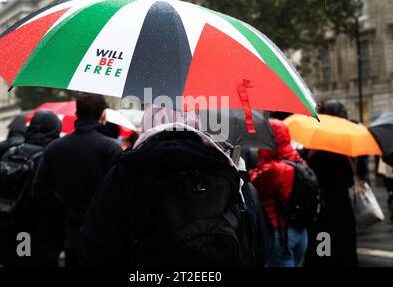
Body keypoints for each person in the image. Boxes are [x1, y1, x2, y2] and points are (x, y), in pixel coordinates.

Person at [79, 106, 266, 267]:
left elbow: (97, 244)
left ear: (149, 122)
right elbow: (255, 243)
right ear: (197, 123)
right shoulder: (224, 168)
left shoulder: (128, 170)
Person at [32, 93, 121, 267]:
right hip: (104, 236)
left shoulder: (55, 148)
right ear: (103, 115)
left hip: (70, 234)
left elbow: (39, 192)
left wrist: (64, 206)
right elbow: (121, 194)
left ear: (76, 114)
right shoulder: (111, 148)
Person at [0, 110, 62, 267]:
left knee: (17, 259)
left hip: (9, 220)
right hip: (37, 227)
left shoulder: (11, 151)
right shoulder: (50, 155)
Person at [303, 100, 358, 267]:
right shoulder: (343, 147)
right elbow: (349, 181)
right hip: (341, 209)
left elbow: (309, 175)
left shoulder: (314, 145)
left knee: (323, 253)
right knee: (343, 250)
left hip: (322, 210)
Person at [250, 119, 308, 267]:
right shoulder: (299, 162)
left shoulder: (273, 170)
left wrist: (260, 161)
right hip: (300, 232)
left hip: (280, 234)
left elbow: (254, 186)